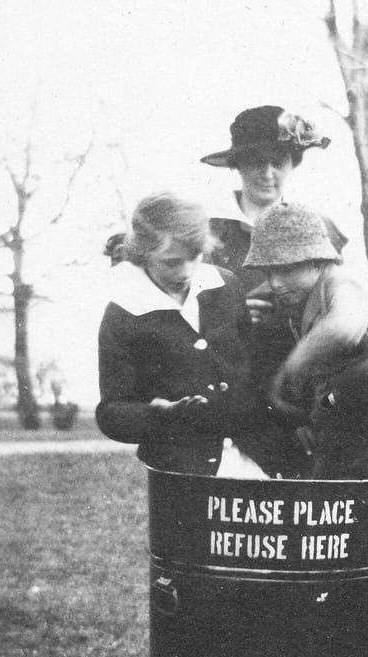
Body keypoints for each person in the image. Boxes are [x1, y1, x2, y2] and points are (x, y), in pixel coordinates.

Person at [241, 202, 368, 480]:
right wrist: (242, 314)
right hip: (340, 402)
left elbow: (341, 330)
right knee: (333, 489)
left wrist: (287, 377)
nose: (276, 282)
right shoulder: (285, 294)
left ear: (317, 261)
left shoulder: (342, 282)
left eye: (285, 270)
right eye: (269, 272)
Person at [96, 191, 275, 477]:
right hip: (181, 469)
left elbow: (255, 369)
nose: (186, 271)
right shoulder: (125, 313)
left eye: (195, 257)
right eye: (171, 261)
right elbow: (111, 413)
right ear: (143, 253)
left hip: (252, 457)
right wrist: (158, 415)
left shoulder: (225, 285)